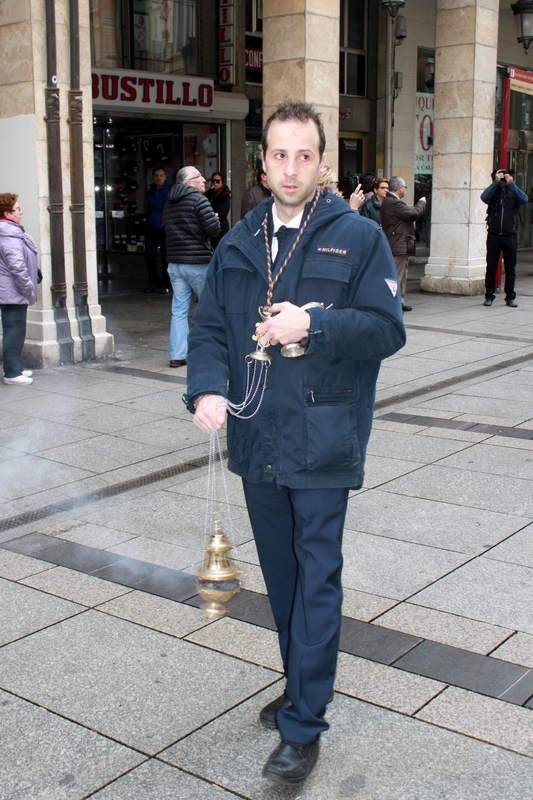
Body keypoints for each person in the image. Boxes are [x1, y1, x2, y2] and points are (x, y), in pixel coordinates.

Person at [185, 100, 405, 785]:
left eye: (303, 155)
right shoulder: (239, 237)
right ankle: (297, 684)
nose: (289, 168)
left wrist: (313, 326)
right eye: (278, 154)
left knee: (315, 579)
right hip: (256, 435)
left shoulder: (356, 236)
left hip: (323, 435)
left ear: (320, 162)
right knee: (282, 579)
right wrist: (206, 389)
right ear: (263, 161)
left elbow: (384, 330)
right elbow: (211, 327)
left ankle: (304, 722)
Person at [163, 167, 220, 368]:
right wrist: (214, 218)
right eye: (199, 177)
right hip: (197, 264)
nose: (204, 179)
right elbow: (213, 229)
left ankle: (177, 354)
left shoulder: (170, 202)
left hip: (175, 264)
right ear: (188, 182)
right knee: (209, 308)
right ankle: (209, 352)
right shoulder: (199, 200)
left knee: (178, 310)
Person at [0, 194, 40, 386]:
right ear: (7, 213)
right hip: (12, 291)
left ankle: (16, 366)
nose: (21, 211)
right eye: (18, 209)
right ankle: (12, 373)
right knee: (14, 330)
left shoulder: (10, 231)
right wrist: (29, 288)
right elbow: (17, 266)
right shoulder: (8, 234)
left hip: (11, 290)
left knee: (15, 329)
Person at [481, 167, 528, 308]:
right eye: (500, 177)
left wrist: (511, 183)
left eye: (504, 177)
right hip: (494, 235)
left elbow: (524, 199)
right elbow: (483, 197)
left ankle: (510, 297)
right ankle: (489, 295)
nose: (502, 180)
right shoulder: (493, 191)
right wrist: (495, 183)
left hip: (510, 236)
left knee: (510, 269)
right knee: (491, 267)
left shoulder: (514, 192)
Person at [380, 176, 426, 312]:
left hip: (400, 244)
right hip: (397, 245)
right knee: (397, 276)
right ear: (400, 188)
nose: (405, 190)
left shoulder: (392, 201)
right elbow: (413, 213)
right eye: (405, 187)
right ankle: (393, 304)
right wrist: (421, 203)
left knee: (402, 275)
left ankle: (399, 301)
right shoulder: (393, 202)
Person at [143, 167, 170, 293]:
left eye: (161, 175)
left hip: (164, 226)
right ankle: (153, 282)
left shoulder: (169, 191)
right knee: (149, 255)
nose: (158, 178)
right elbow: (147, 207)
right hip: (151, 225)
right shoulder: (151, 191)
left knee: (166, 257)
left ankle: (166, 283)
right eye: (156, 175)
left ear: (165, 177)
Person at [205, 172, 231, 248]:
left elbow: (221, 213)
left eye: (218, 181)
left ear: (222, 182)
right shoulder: (210, 193)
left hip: (221, 228)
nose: (215, 183)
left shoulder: (225, 195)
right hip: (211, 228)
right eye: (213, 181)